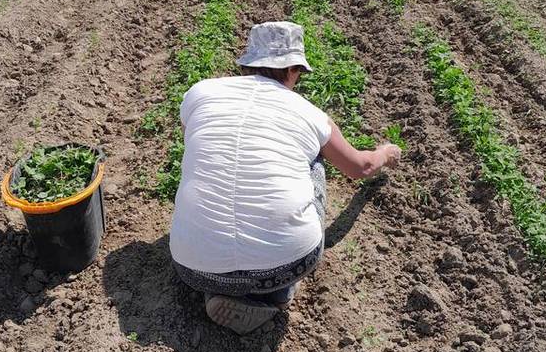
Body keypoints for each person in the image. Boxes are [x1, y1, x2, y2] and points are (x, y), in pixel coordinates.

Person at [169, 21, 402, 335]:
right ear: (293, 69)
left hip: (191, 268)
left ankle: (218, 289)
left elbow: (191, 143)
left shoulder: (200, 92)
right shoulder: (312, 115)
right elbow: (360, 168)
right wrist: (386, 152)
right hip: (284, 267)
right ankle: (276, 295)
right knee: (315, 158)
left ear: (247, 62)